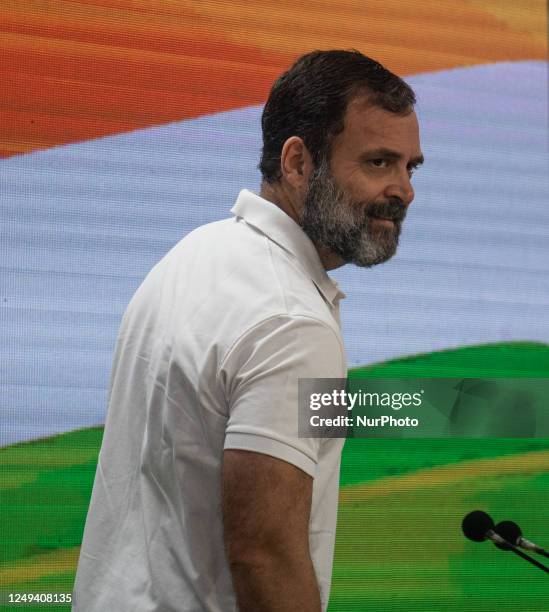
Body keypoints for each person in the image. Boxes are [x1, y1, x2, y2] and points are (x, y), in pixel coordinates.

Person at [72, 49, 423, 612]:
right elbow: (265, 556)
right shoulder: (291, 322)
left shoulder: (197, 252)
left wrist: (490, 406)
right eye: (379, 163)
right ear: (297, 162)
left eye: (411, 167)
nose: (404, 189)